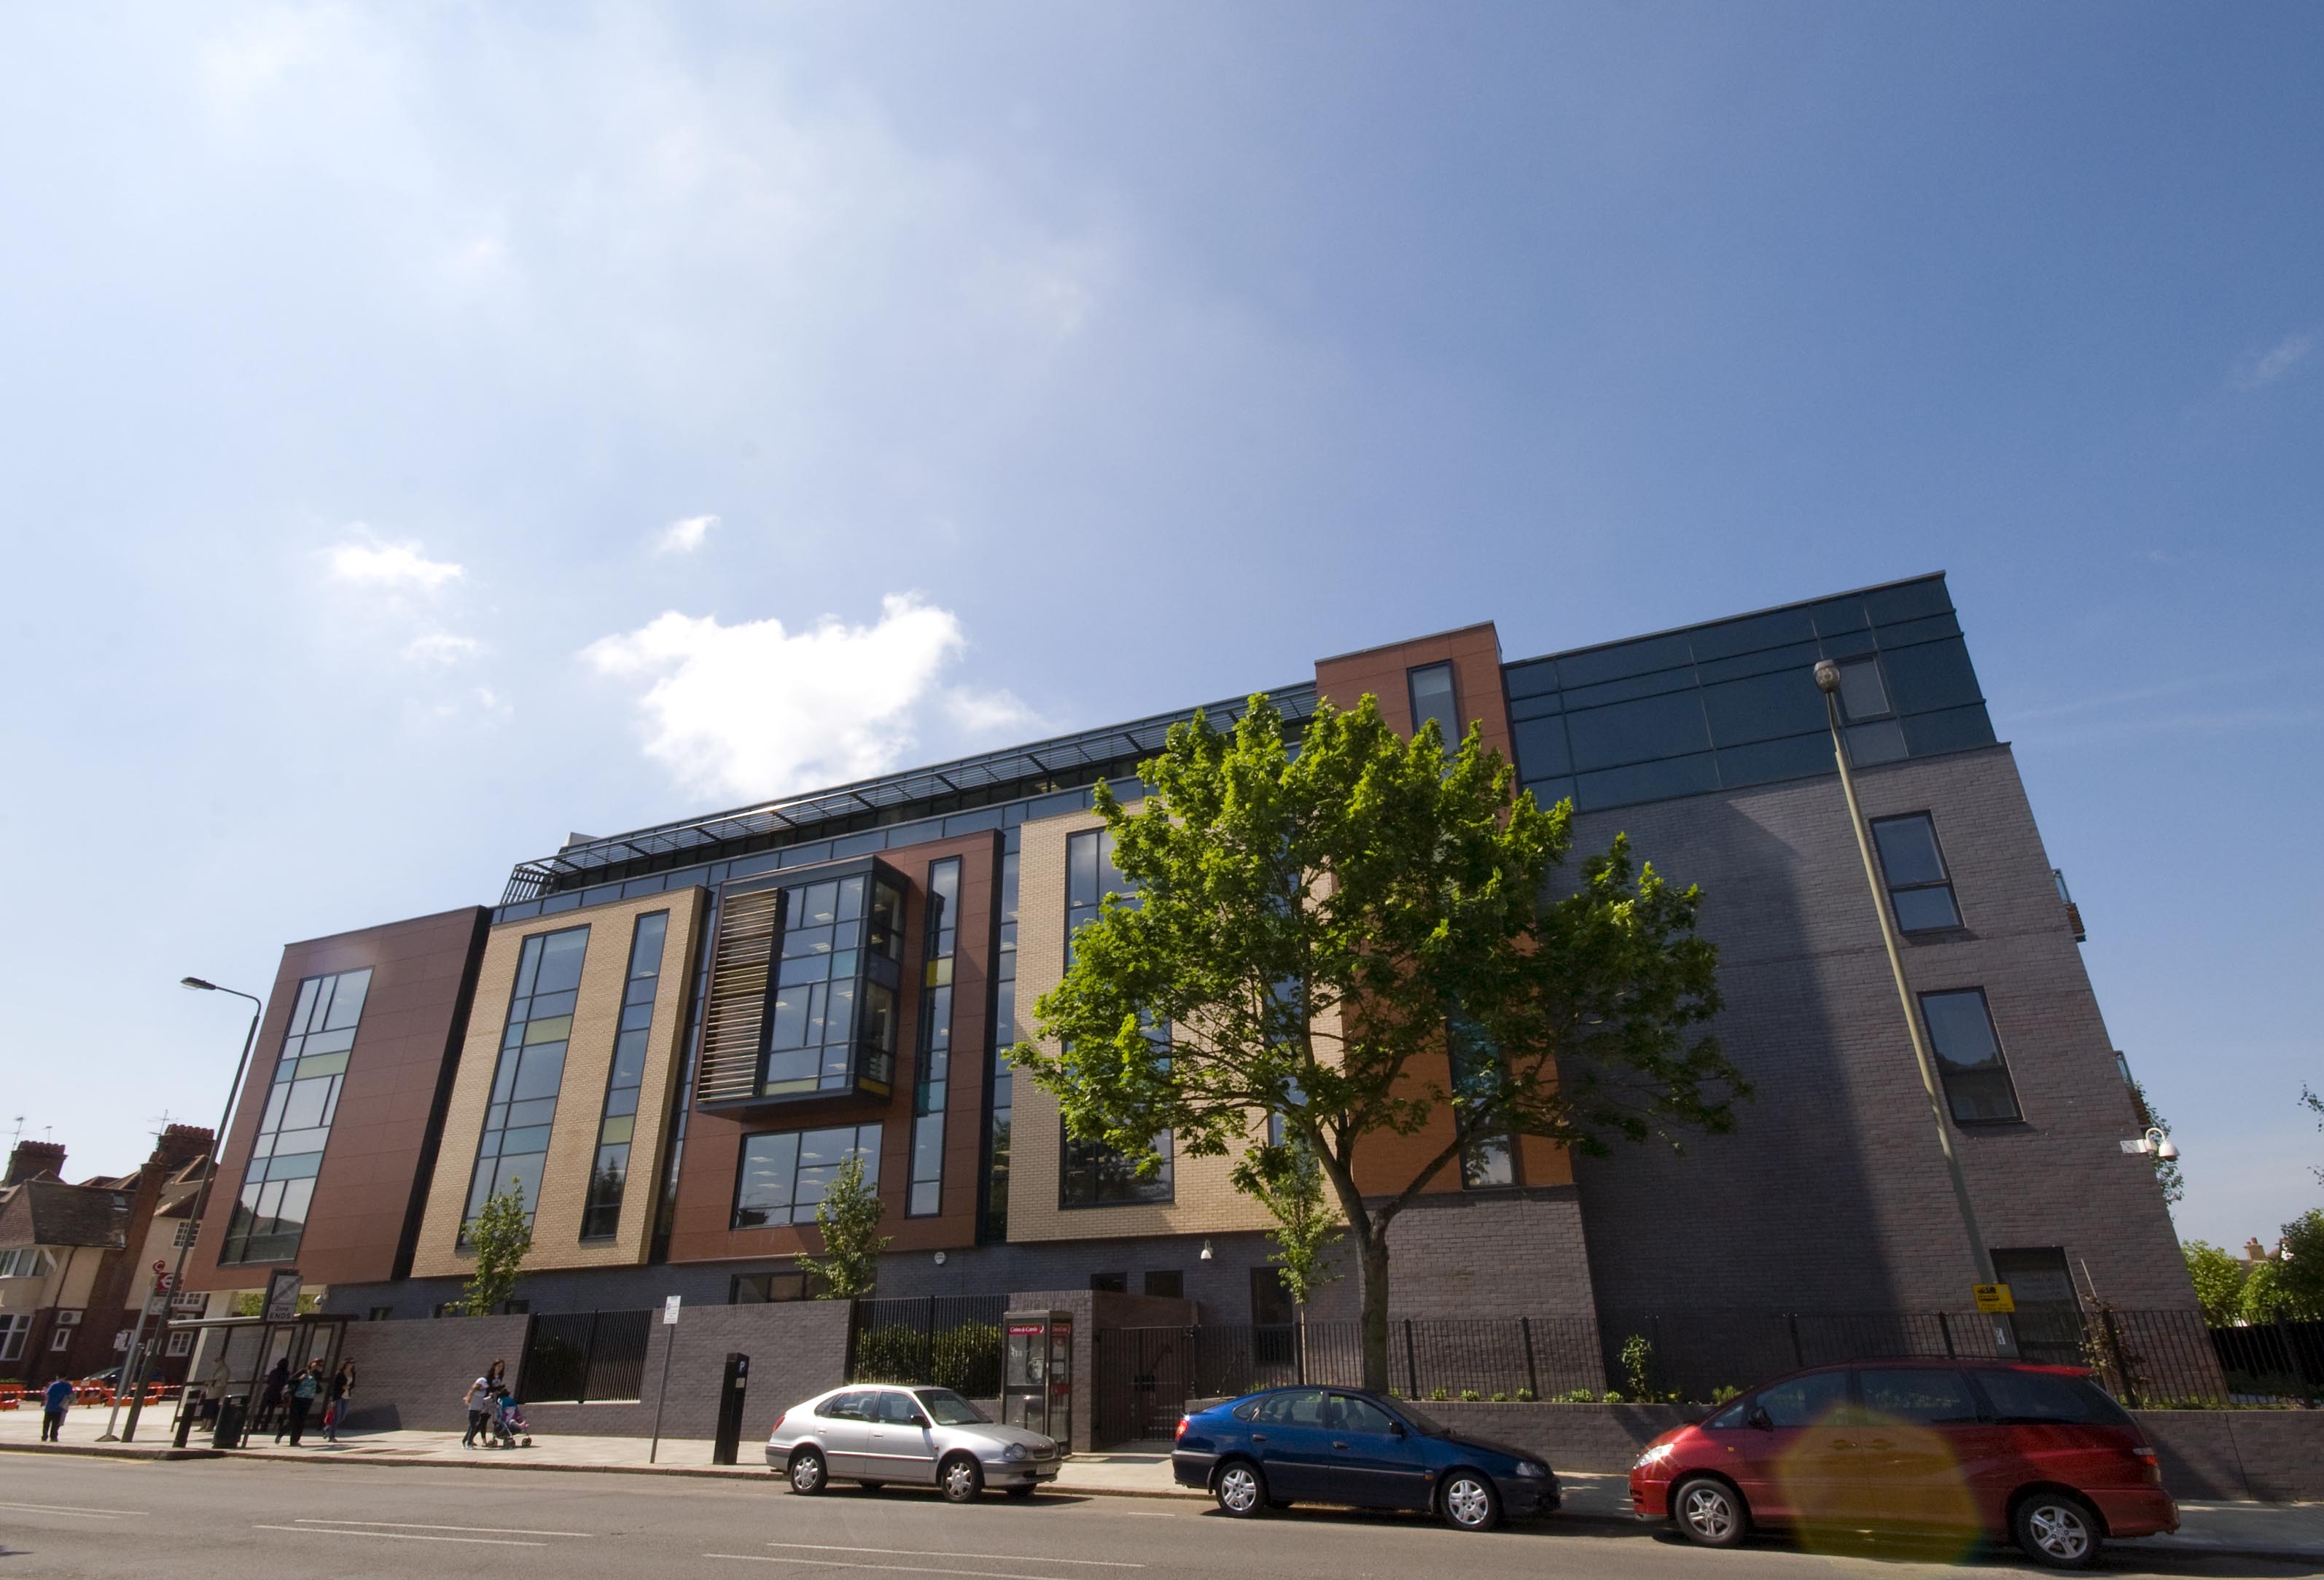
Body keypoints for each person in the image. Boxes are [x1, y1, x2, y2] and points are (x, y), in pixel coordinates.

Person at [284, 1360, 324, 1446]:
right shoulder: (303, 1371)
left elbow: (320, 1381)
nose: (318, 1366)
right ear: (312, 1363)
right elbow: (290, 1380)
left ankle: (295, 1441)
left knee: (302, 1420)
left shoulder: (317, 1374)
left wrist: (317, 1372)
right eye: (317, 1364)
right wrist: (300, 1379)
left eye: (320, 1365)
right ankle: (282, 1433)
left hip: (308, 1399)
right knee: (294, 1419)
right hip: (297, 1398)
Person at [257, 1356, 289, 1437]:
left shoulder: (273, 1372)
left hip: (268, 1392)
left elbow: (268, 1381)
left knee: (261, 1410)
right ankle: (265, 1427)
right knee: (270, 1411)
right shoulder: (286, 1373)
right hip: (276, 1393)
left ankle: (255, 1426)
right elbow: (285, 1383)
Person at [323, 1359, 355, 1442]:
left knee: (342, 1416)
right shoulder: (340, 1374)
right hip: (339, 1397)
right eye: (350, 1363)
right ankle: (332, 1436)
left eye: (353, 1363)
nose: (352, 1365)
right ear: (346, 1364)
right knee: (337, 1416)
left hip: (347, 1396)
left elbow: (353, 1384)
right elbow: (335, 1386)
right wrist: (334, 1398)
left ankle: (327, 1429)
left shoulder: (353, 1373)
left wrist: (349, 1387)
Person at [462, 1370, 494, 1448]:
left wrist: (489, 1397)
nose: (484, 1388)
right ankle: (469, 1444)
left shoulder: (480, 1393)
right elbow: (477, 1397)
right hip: (472, 1412)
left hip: (478, 1412)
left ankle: (464, 1441)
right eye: (482, 1386)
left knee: (471, 1428)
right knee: (473, 1428)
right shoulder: (475, 1392)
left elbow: (482, 1400)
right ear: (478, 1385)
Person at [40, 1372, 72, 1442]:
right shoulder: (68, 1385)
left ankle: (44, 1436)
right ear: (65, 1378)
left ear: (57, 1377)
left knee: (46, 1423)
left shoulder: (54, 1385)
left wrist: (46, 1402)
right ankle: (53, 1437)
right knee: (56, 1424)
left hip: (50, 1407)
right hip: (60, 1408)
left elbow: (47, 1394)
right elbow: (70, 1396)